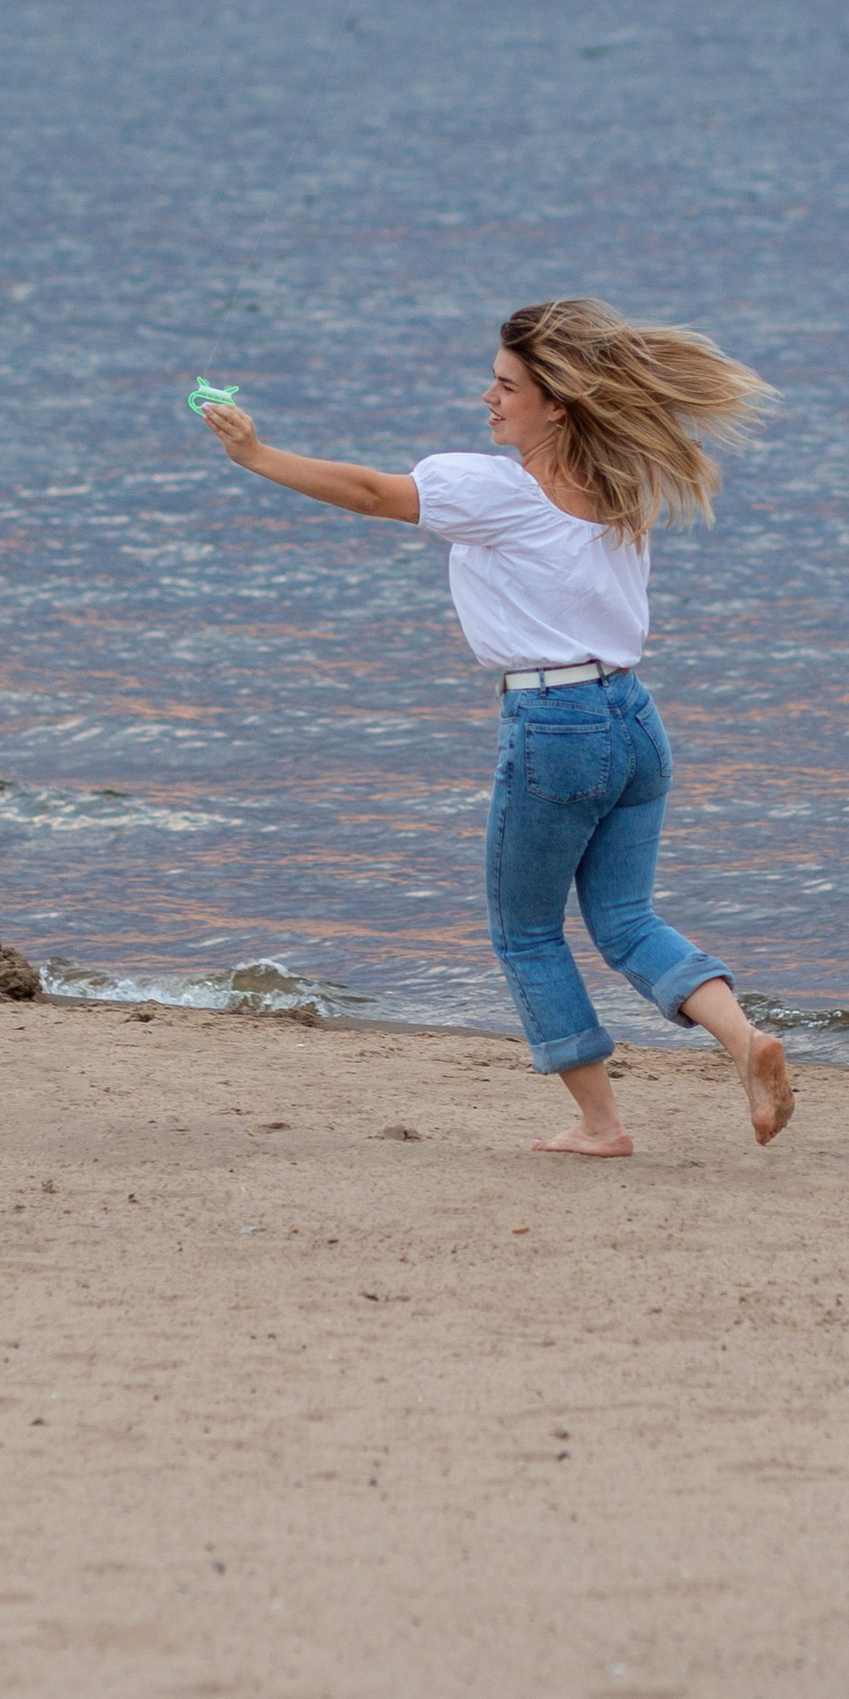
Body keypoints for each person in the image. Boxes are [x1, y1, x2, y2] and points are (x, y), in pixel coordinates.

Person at [199, 296, 796, 1161]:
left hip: (557, 725)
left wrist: (255, 454)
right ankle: (745, 1042)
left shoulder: (495, 491)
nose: (490, 397)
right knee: (625, 918)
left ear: (557, 402)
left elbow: (373, 494)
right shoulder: (619, 486)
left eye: (508, 385)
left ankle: (602, 1124)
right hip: (635, 718)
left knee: (524, 931)